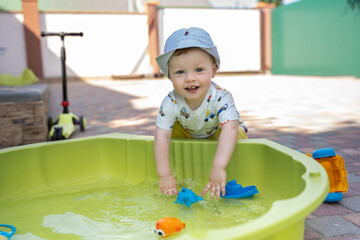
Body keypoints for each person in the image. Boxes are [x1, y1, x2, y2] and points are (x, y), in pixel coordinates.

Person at [154, 27, 247, 199]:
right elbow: (161, 137)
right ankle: (183, 171)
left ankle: (230, 170)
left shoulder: (221, 98)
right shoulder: (170, 102)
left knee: (236, 132)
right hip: (189, 134)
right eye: (180, 72)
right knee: (167, 132)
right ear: (169, 76)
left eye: (198, 70)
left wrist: (218, 167)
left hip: (220, 134)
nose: (190, 78)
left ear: (213, 70)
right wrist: (164, 176)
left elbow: (230, 129)